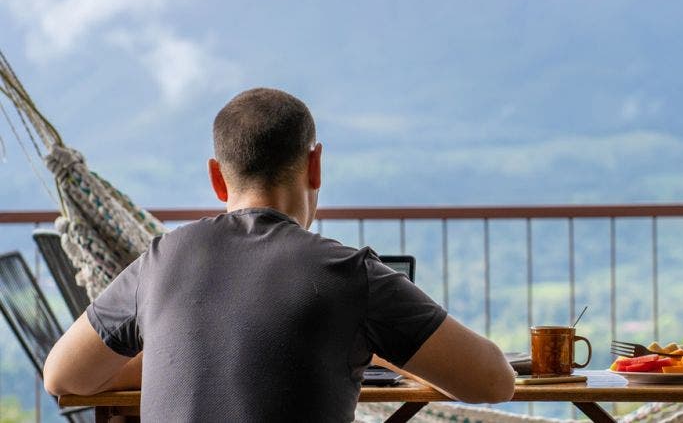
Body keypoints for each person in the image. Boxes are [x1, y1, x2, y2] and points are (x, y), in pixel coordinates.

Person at [43, 88, 515, 421]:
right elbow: (494, 382)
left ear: (217, 177)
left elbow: (62, 375)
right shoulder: (350, 275)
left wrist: (182, 353)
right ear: (315, 165)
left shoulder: (162, 259)